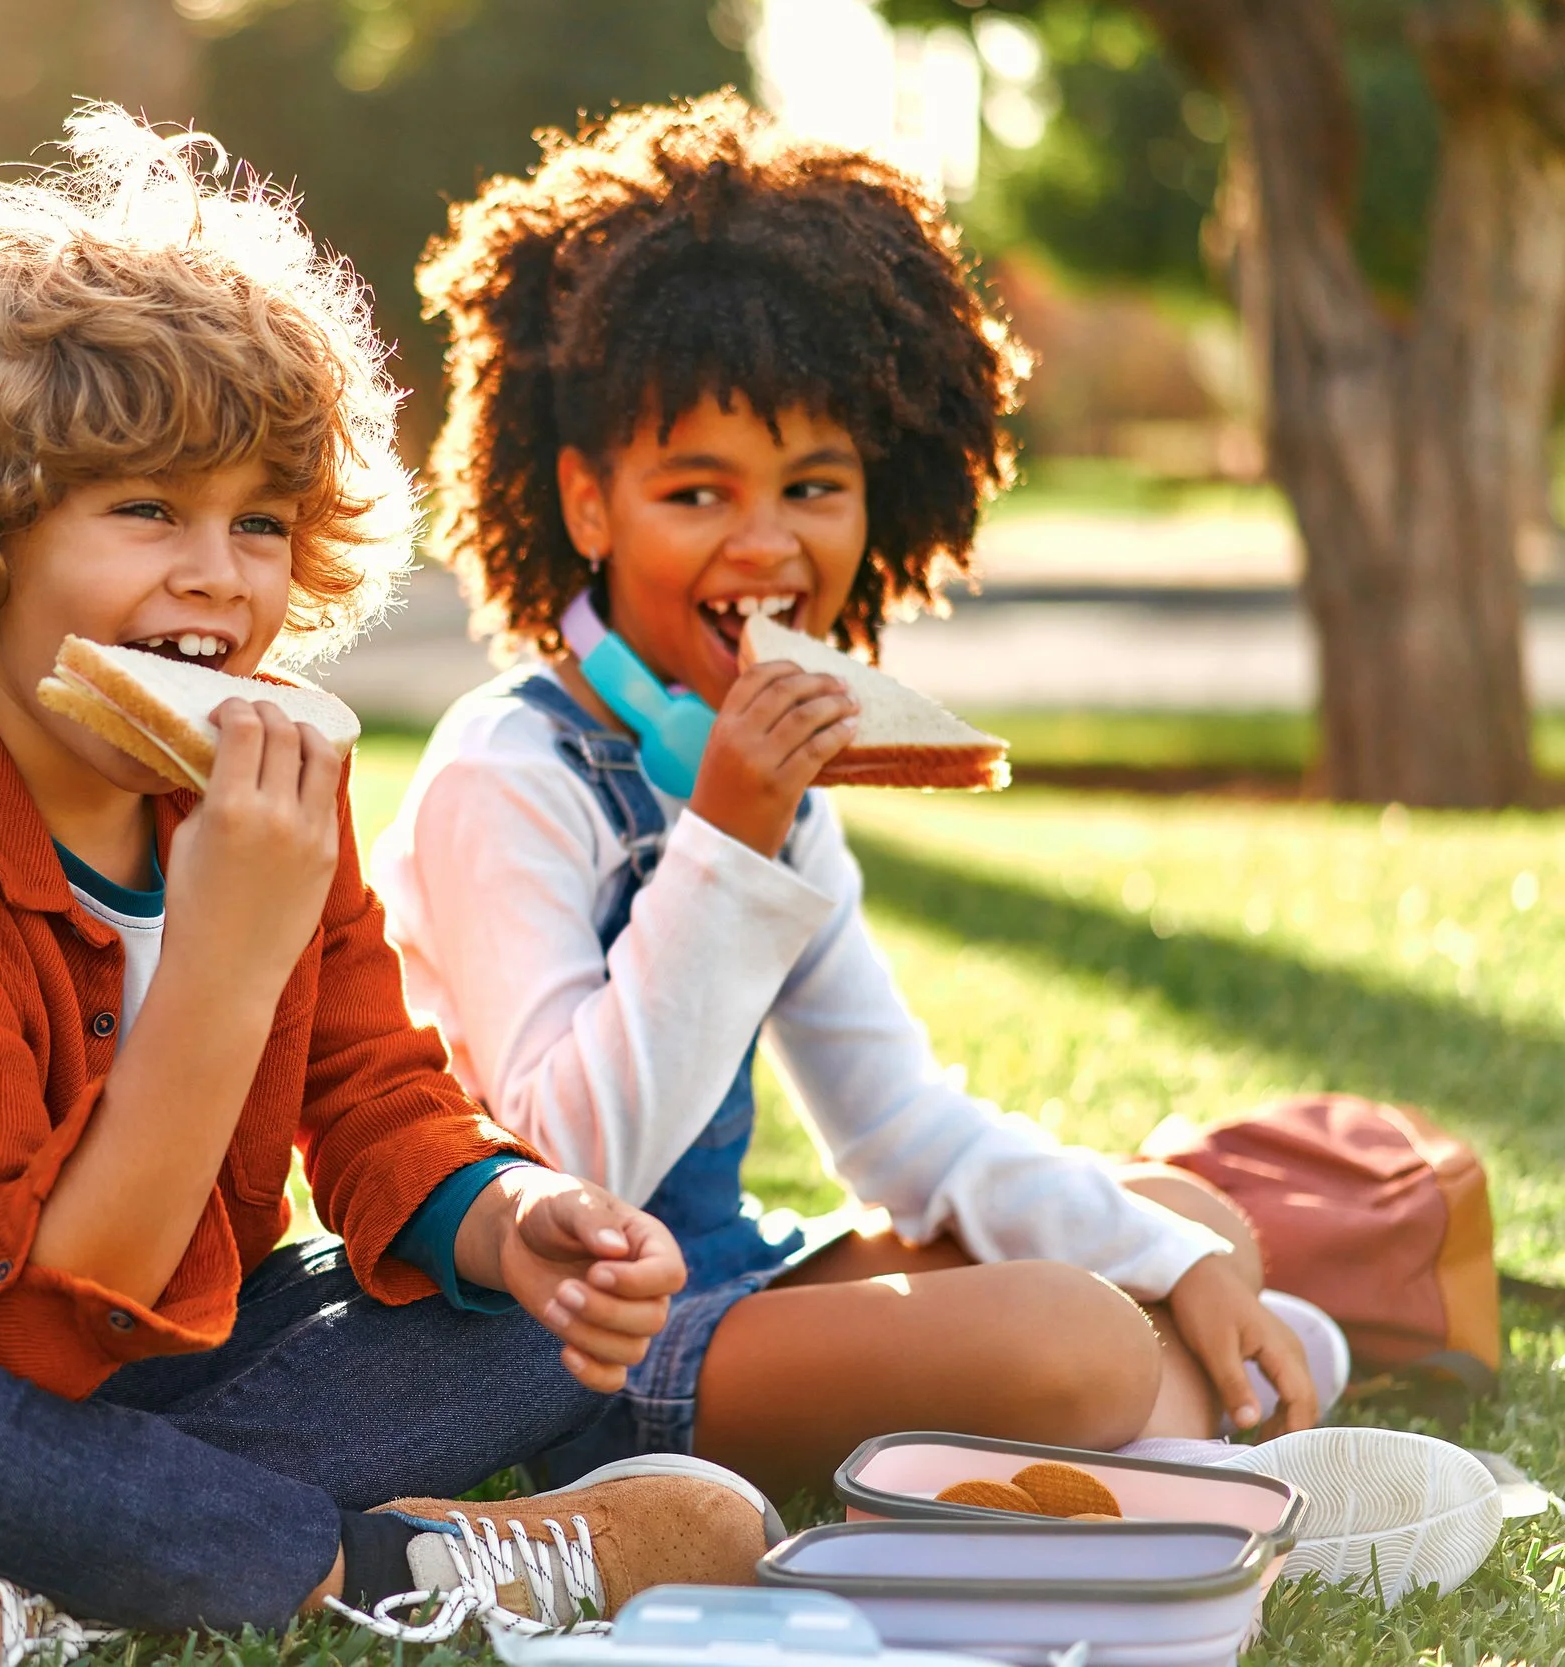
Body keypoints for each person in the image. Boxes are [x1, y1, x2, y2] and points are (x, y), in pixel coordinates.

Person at [0, 106, 774, 1667]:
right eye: (147, 508)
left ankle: (25, 1579)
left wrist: (513, 1216)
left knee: (528, 1329)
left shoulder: (271, 777)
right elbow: (16, 1330)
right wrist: (225, 959)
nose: (218, 573)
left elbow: (373, 1094)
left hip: (131, 1371)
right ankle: (372, 1566)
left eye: (261, 523)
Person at [371, 91, 1341, 1501]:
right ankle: (1186, 1413)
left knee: (1187, 1218)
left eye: (814, 486)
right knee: (1079, 1338)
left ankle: (1180, 1402)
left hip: (732, 1282)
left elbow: (901, 1131)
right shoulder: (504, 771)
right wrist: (731, 834)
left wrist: (1177, 1254)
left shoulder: (769, 775)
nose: (767, 544)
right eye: (696, 493)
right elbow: (570, 1167)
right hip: (556, 1353)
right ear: (587, 503)